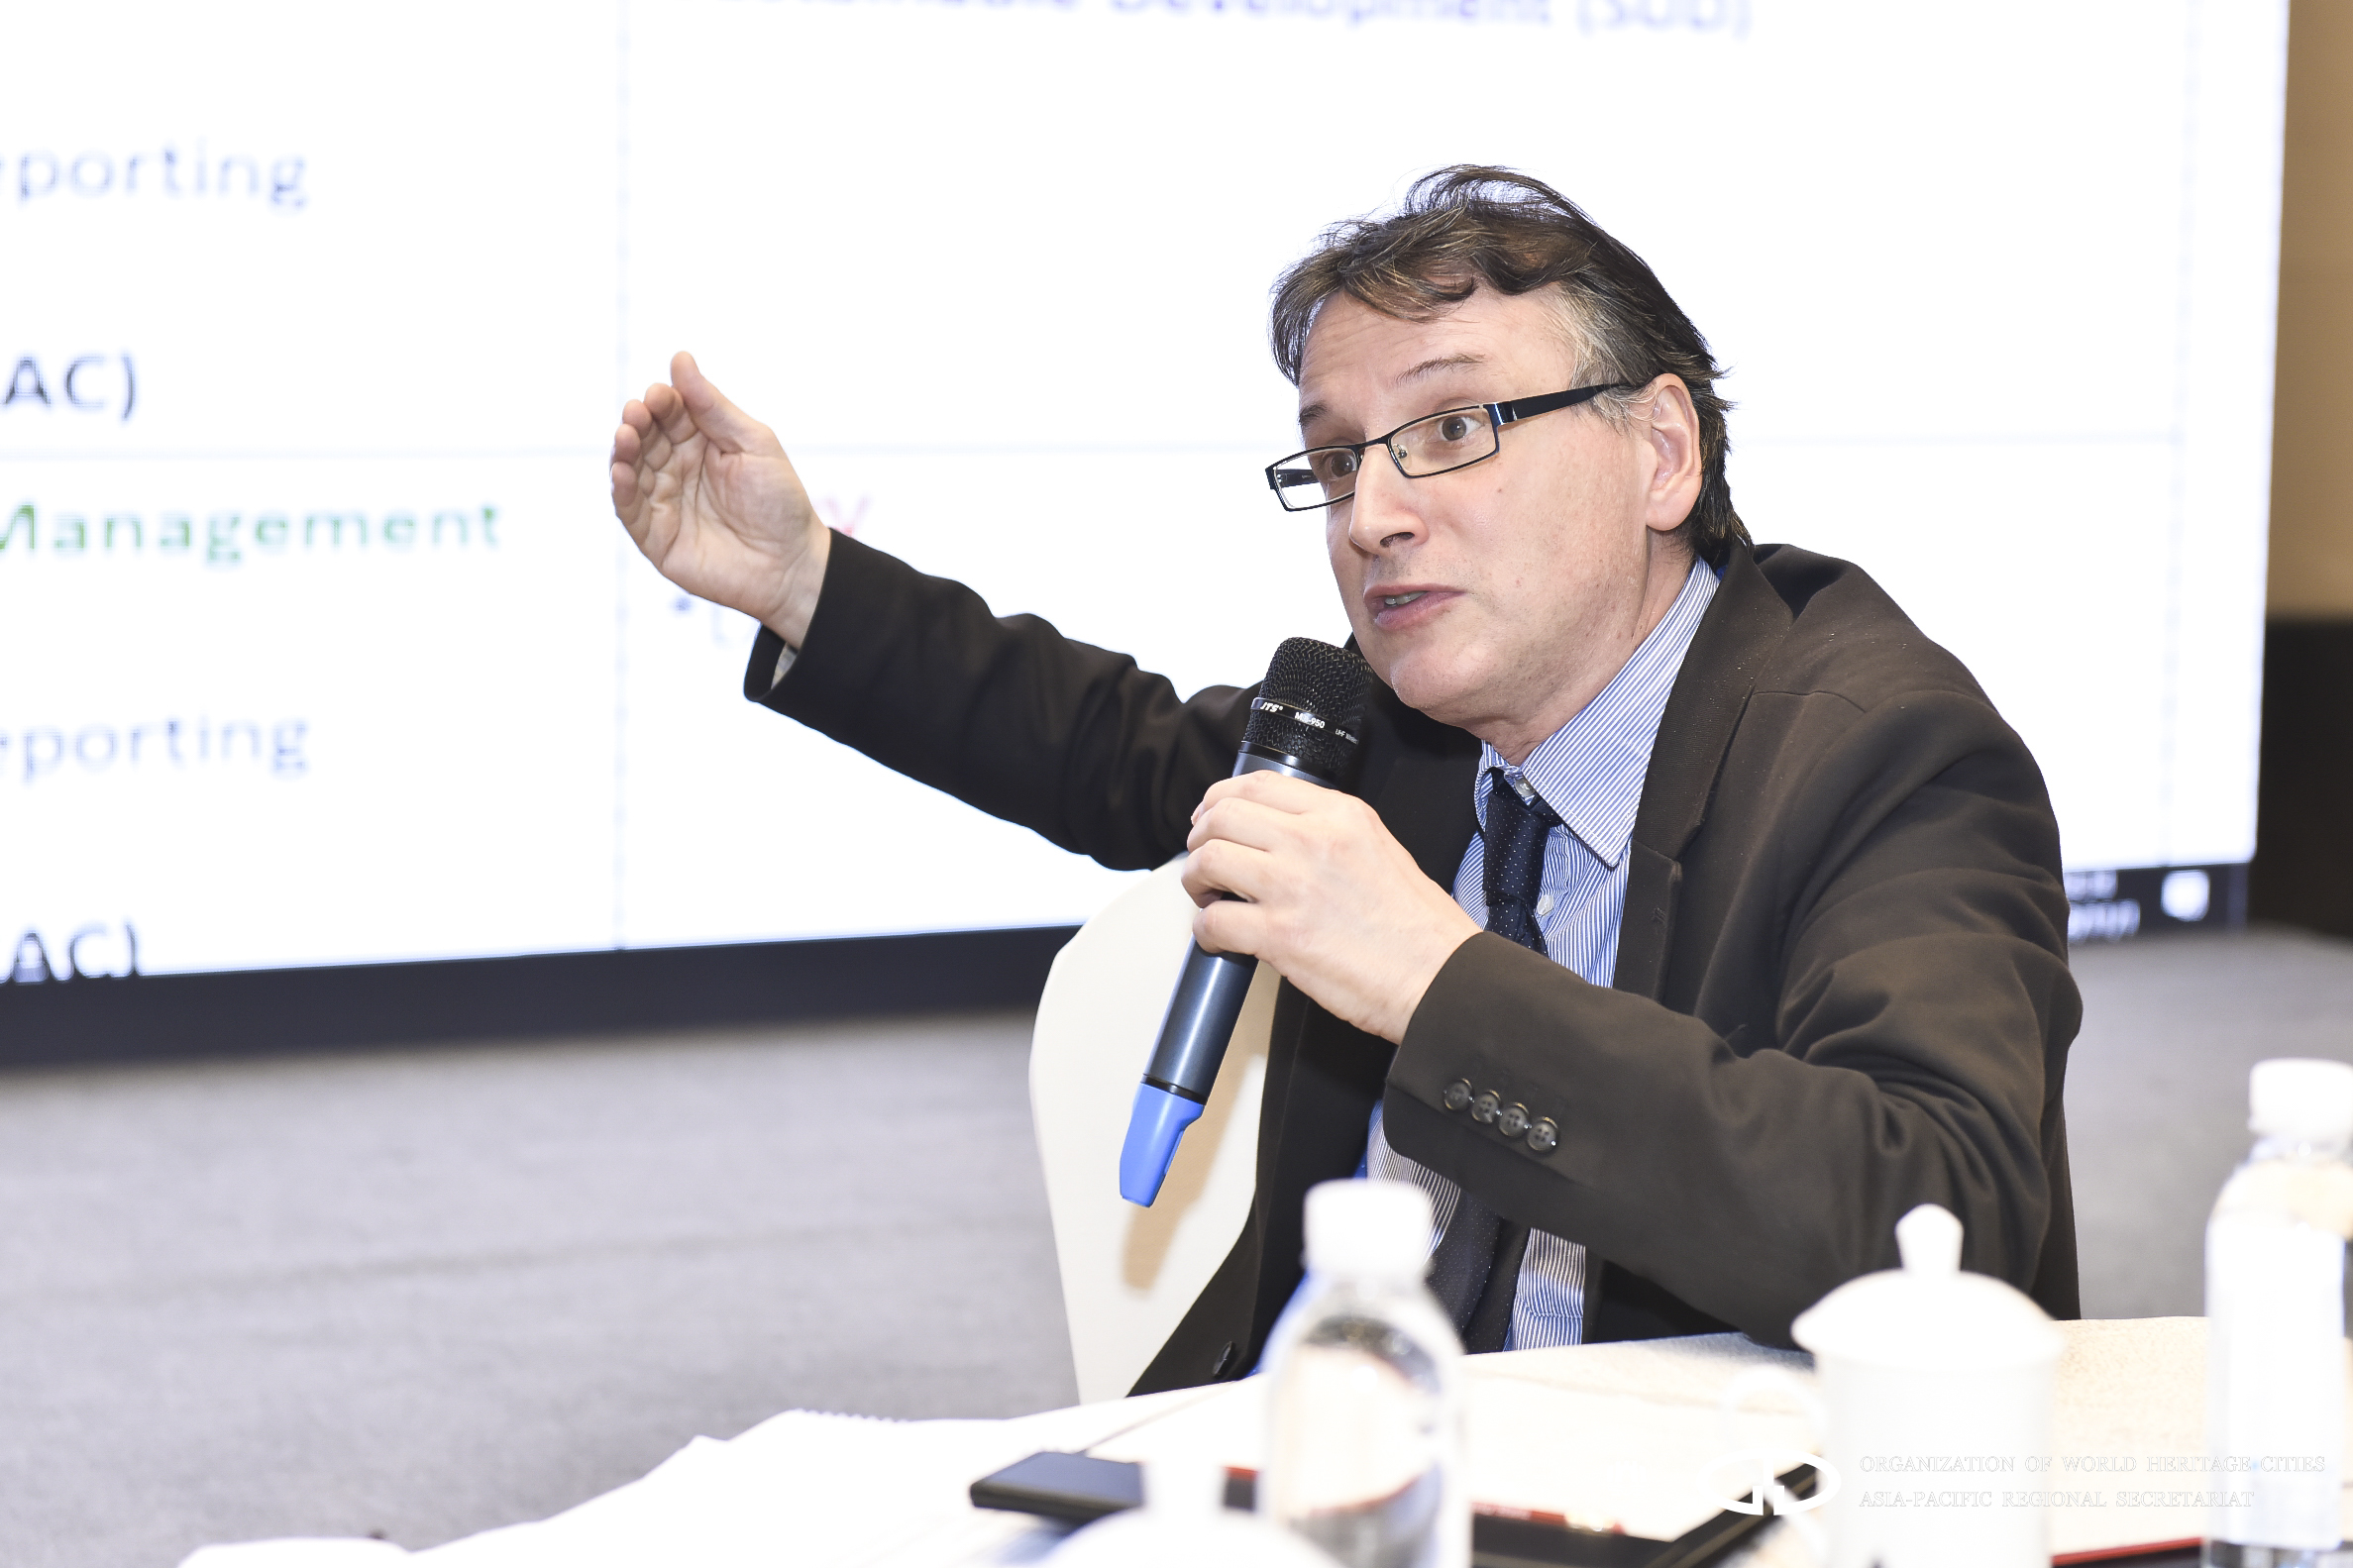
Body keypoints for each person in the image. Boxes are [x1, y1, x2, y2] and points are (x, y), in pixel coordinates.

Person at [608, 166, 2081, 1392]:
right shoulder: (1394, 733)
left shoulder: (1885, 749)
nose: (1370, 513)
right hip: (1344, 1468)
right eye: (1334, 460)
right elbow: (1101, 742)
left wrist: (1434, 978)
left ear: (1662, 452)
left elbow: (1936, 1210)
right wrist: (800, 579)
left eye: (1450, 430)